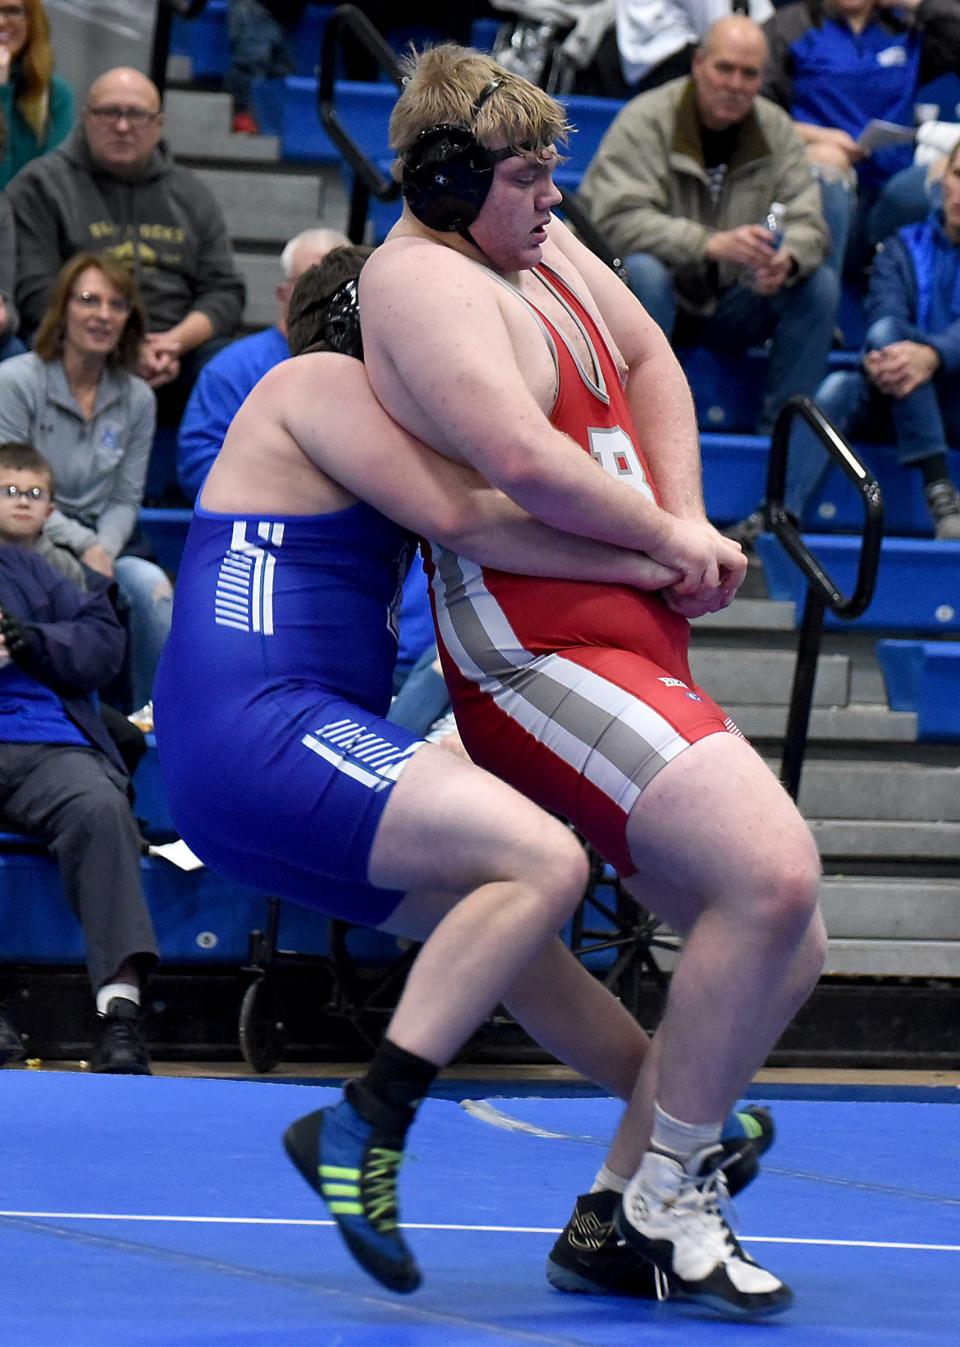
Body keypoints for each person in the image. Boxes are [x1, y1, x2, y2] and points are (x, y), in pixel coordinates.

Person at [153, 247, 775, 1301]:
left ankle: (674, 1123)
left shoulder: (383, 426)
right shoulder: (317, 383)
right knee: (540, 861)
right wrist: (662, 551)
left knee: (509, 935)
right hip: (258, 723)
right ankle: (368, 1119)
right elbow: (474, 518)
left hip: (261, 746)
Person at [358, 42, 828, 1316]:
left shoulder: (534, 244)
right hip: (532, 650)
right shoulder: (419, 284)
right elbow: (517, 455)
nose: (553, 200)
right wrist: (673, 540)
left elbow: (658, 365)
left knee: (789, 933)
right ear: (447, 182)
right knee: (774, 871)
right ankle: (670, 1193)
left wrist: (679, 516)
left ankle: (621, 1213)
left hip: (623, 624)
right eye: (525, 177)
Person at [578, 16, 838, 436]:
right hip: (655, 294)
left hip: (734, 298)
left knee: (817, 285)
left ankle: (782, 445)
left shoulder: (777, 130)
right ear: (698, 64)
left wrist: (787, 258)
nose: (735, 84)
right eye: (724, 68)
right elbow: (611, 220)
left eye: (749, 73)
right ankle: (633, 430)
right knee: (643, 270)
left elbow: (810, 220)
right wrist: (708, 243)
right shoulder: (647, 119)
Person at [0, 442, 157, 1073]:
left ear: (51, 506)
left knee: (99, 806)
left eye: (31, 493)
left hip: (48, 740)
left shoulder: (62, 572)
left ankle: (118, 1015)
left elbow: (102, 651)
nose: (19, 502)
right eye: (7, 489)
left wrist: (30, 640)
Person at [7, 66, 245, 424]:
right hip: (77, 344)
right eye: (108, 113)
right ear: (86, 117)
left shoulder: (191, 193)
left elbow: (225, 290)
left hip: (175, 351)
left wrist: (173, 343)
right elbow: (36, 294)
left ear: (158, 124)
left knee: (233, 365)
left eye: (136, 115)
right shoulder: (41, 186)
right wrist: (121, 348)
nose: (122, 126)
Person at [0, 252, 172, 711]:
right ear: (63, 308)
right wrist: (82, 544)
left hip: (107, 539)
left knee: (153, 590)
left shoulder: (137, 398)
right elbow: (8, 487)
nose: (102, 315)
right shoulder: (16, 382)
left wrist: (104, 550)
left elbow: (125, 495)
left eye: (116, 305)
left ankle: (149, 721)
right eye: (88, 300)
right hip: (24, 532)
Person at [793, 137, 960, 537]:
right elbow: (883, 314)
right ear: (944, 179)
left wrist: (933, 355)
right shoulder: (903, 245)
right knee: (839, 386)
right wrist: (888, 354)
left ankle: (938, 484)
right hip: (902, 390)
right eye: (959, 175)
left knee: (888, 341)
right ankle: (779, 517)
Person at [761, 0, 960, 275]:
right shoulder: (789, 26)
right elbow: (754, 114)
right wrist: (818, 137)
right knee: (827, 166)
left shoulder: (904, 25)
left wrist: (915, 3)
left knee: (946, 180)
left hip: (893, 186)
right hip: (820, 184)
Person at [177, 226, 348, 502]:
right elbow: (198, 467)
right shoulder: (231, 369)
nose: (325, 295)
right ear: (283, 294)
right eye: (311, 281)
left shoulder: (371, 368)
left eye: (338, 284)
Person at [0, 0, 73, 189]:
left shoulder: (56, 96)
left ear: (31, 21)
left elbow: (48, 189)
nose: (1, 21)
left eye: (12, 11)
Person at [225, 0, 308, 135]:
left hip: (284, 16)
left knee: (282, 70)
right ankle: (239, 114)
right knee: (250, 62)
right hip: (255, 7)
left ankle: (271, 121)